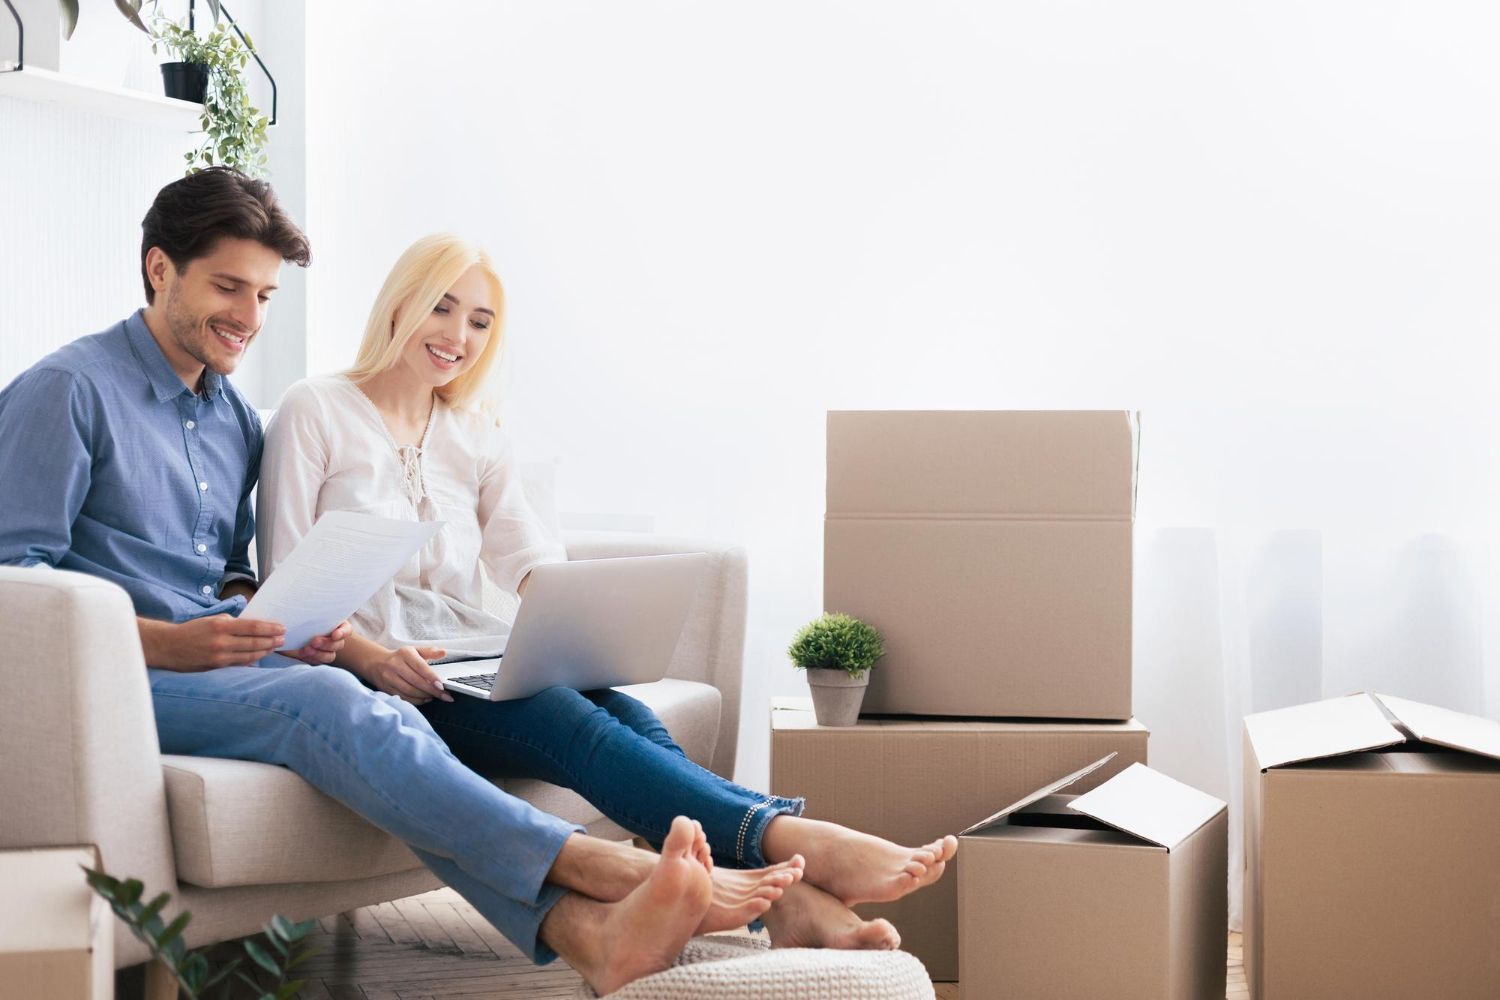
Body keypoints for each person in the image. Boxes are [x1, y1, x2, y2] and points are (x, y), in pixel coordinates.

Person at [0, 168, 810, 996]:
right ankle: (601, 867)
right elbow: (14, 593)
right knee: (334, 703)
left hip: (227, 663)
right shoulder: (67, 391)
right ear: (159, 268)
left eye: (267, 295)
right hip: (123, 681)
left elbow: (230, 569)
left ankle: (587, 934)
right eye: (228, 287)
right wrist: (172, 641)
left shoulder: (231, 416)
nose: (249, 318)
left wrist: (272, 614)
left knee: (397, 714)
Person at [256, 232, 960, 949]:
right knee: (571, 722)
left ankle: (789, 907)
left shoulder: (475, 435)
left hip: (473, 662)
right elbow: (288, 586)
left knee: (630, 716)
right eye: (442, 308)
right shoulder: (315, 409)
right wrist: (371, 657)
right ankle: (793, 843)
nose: (458, 336)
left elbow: (527, 559)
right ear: (399, 303)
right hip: (381, 680)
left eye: (479, 321)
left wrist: (573, 621)